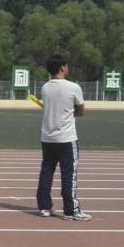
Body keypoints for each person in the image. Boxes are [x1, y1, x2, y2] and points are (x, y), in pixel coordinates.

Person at [37, 54, 90, 221]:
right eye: (66, 65)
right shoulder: (73, 87)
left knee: (46, 171)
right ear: (62, 67)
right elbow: (81, 111)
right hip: (66, 138)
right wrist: (69, 113)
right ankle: (71, 210)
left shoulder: (45, 87)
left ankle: (44, 207)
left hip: (47, 138)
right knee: (68, 174)